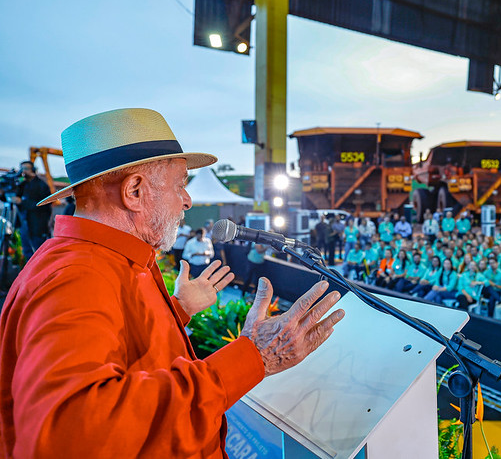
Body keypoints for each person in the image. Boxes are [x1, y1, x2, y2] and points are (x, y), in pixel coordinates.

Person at [0, 108, 345, 457]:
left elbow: (123, 354)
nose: (187, 200)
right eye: (180, 183)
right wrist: (256, 356)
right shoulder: (77, 277)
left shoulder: (110, 261)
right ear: (134, 191)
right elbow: (69, 435)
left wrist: (176, 311)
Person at [11, 160, 52, 259]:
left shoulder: (42, 185)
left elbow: (44, 205)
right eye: (21, 169)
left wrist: (23, 202)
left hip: (37, 226)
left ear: (33, 170)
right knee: (27, 252)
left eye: (26, 169)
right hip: (24, 225)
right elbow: (12, 196)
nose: (23, 171)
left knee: (39, 255)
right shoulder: (21, 184)